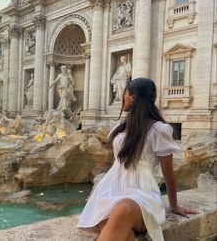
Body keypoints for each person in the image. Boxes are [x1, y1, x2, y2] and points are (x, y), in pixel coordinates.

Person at [77, 78, 198, 241]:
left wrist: (174, 205)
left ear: (132, 97)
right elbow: (118, 164)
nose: (122, 98)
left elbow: (168, 173)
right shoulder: (121, 126)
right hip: (111, 191)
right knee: (114, 226)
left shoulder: (159, 130)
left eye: (125, 94)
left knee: (123, 210)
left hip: (142, 194)